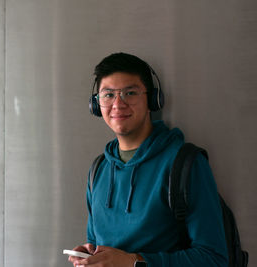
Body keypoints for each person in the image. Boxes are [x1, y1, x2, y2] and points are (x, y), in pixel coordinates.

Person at [68, 52, 228, 267]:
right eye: (108, 95)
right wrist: (90, 255)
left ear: (153, 100)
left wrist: (134, 262)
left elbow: (213, 258)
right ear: (96, 105)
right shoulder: (99, 169)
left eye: (130, 93)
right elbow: (97, 243)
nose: (117, 104)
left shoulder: (184, 163)